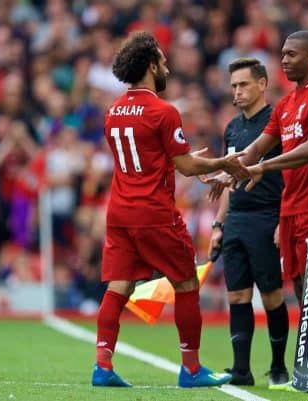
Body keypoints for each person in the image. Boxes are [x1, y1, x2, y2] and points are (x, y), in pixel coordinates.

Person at [92, 31, 248, 388]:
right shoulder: (164, 111)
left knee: (119, 287)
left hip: (119, 211)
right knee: (186, 283)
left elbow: (146, 157)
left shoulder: (113, 111)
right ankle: (191, 370)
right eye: (161, 61)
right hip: (154, 212)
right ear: (150, 65)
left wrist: (188, 160)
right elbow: (186, 168)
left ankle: (102, 365)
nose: (166, 66)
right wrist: (225, 162)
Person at [211, 30, 308, 305]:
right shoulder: (285, 104)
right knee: (299, 286)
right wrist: (226, 170)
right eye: (282, 54)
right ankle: (307, 348)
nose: (284, 60)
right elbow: (256, 148)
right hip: (290, 207)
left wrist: (262, 167)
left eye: (291, 54)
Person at [208, 58, 289, 387]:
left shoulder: (277, 122)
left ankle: (279, 367)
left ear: (262, 84)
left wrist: (284, 220)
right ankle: (241, 370)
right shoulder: (232, 127)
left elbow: (294, 174)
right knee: (237, 297)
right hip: (237, 220)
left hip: (268, 216)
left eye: (243, 84)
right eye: (233, 86)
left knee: (271, 296)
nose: (237, 91)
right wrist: (218, 225)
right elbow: (229, 179)